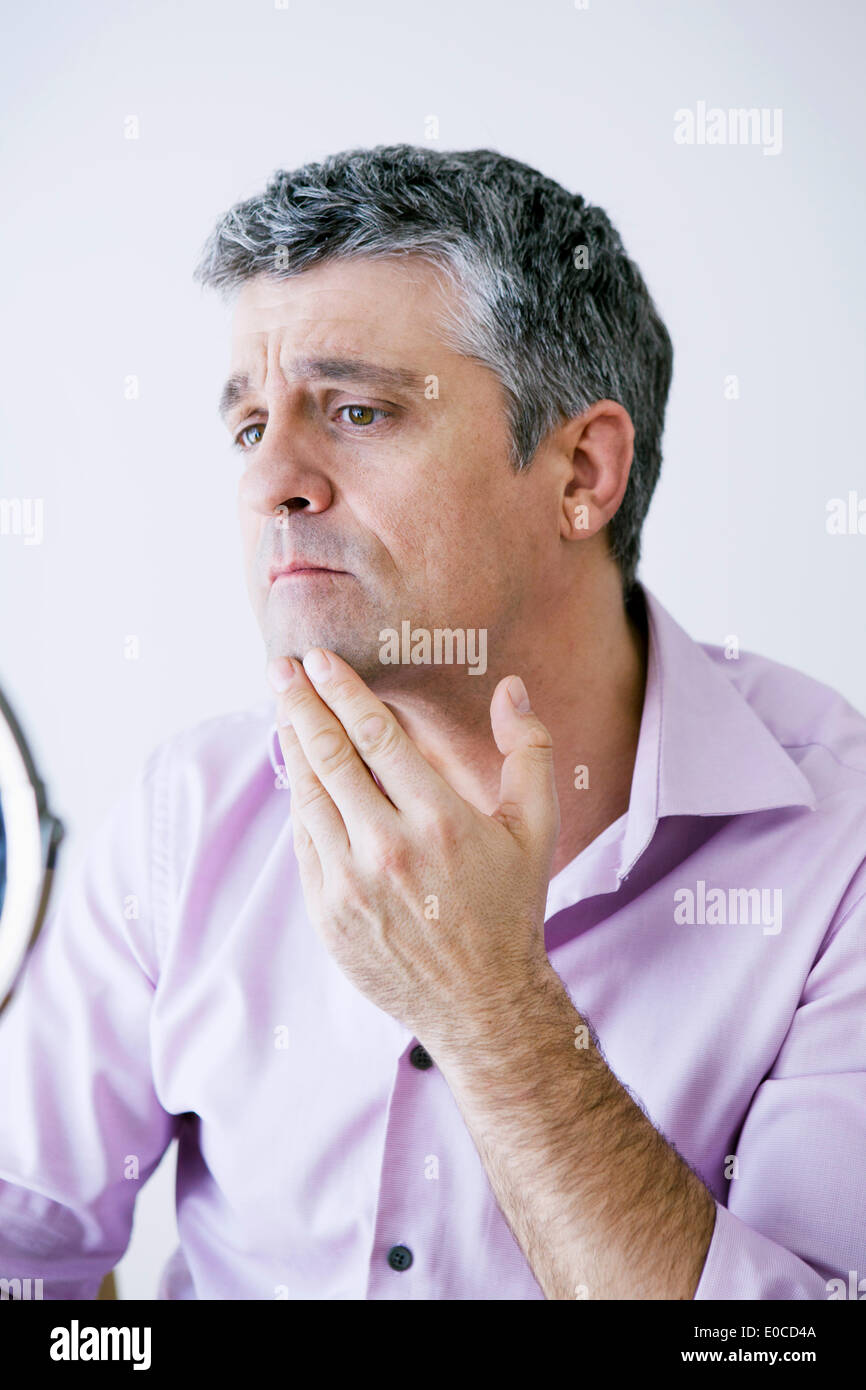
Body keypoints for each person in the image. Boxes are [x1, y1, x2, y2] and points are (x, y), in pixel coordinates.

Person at [1, 144, 864, 1301]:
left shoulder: (834, 848)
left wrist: (489, 1005)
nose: (272, 484)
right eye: (250, 427)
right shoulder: (186, 816)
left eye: (354, 410)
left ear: (580, 471)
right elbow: (26, 1253)